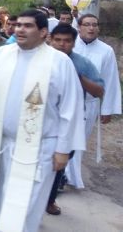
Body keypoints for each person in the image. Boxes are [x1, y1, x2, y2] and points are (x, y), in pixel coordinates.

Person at [0, 10, 84, 232]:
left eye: (27, 26)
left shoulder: (59, 62)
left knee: (24, 206)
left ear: (43, 32)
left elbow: (71, 108)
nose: (20, 29)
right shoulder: (0, 55)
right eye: (18, 25)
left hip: (38, 149)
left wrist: (63, 149)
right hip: (0, 145)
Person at [46, 23, 104, 216]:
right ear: (50, 39)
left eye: (67, 41)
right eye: (58, 40)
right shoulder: (41, 59)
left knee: (58, 164)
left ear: (74, 42)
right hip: (43, 120)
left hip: (71, 121)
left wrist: (79, 78)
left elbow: (99, 90)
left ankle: (50, 199)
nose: (62, 44)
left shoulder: (82, 63)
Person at [65, 13, 121, 190]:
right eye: (87, 24)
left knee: (78, 141)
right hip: (66, 102)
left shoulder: (106, 51)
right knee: (64, 138)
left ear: (98, 28)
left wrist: (107, 109)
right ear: (79, 27)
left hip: (89, 104)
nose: (91, 28)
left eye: (94, 25)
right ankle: (62, 176)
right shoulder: (70, 46)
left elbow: (110, 80)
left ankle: (68, 177)